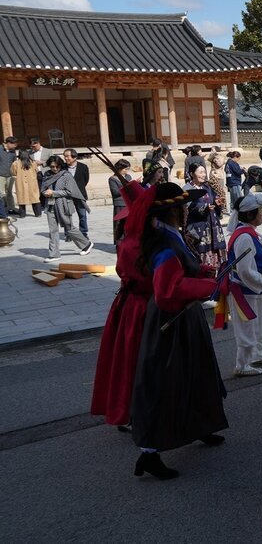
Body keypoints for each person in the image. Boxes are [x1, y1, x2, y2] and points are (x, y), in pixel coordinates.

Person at [130, 182, 228, 480]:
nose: (186, 211)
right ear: (172, 212)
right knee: (164, 383)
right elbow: (167, 292)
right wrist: (206, 286)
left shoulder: (171, 235)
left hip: (186, 318)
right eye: (182, 207)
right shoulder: (164, 244)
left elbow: (182, 272)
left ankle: (201, 425)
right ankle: (149, 453)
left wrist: (201, 272)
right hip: (171, 322)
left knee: (198, 373)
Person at [91, 173, 148, 430]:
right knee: (135, 360)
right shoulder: (133, 245)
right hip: (138, 306)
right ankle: (133, 411)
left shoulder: (134, 241)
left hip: (133, 304)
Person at [225, 193, 262, 377]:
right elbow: (245, 270)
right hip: (244, 290)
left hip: (253, 289)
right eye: (260, 211)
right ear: (250, 215)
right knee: (247, 328)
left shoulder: (247, 232)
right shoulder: (244, 237)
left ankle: (259, 355)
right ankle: (242, 365)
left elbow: (256, 252)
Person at [41, 155, 93, 263]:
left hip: (63, 204)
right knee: (52, 230)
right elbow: (43, 187)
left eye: (57, 166)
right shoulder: (47, 174)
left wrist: (53, 193)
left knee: (69, 228)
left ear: (60, 165)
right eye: (52, 167)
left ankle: (86, 244)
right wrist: (45, 193)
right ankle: (54, 254)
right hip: (50, 205)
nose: (55, 169)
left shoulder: (66, 175)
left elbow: (70, 192)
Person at [183, 164, 227, 270]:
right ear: (192, 174)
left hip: (212, 225)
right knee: (202, 256)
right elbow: (186, 209)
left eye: (204, 172)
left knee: (217, 255)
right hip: (199, 227)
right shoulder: (187, 189)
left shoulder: (207, 187)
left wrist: (217, 202)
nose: (203, 175)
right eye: (200, 172)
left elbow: (213, 199)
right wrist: (204, 207)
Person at [109, 159, 133, 245]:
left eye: (127, 169)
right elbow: (115, 192)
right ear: (119, 168)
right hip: (119, 204)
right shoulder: (112, 179)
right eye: (125, 169)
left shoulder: (128, 177)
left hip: (128, 203)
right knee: (119, 224)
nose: (126, 171)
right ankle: (119, 243)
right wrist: (127, 187)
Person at [11, 149, 41, 217]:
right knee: (35, 198)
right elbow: (36, 170)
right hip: (32, 183)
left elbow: (13, 172)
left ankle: (22, 215)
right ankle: (38, 213)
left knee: (21, 198)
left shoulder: (15, 163)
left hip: (20, 182)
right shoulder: (33, 162)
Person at [206, 148, 228, 215]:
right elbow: (219, 164)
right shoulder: (215, 158)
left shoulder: (218, 157)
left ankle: (222, 208)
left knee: (221, 193)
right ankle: (221, 209)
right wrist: (223, 160)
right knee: (220, 193)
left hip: (219, 176)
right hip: (216, 177)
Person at [0, 136, 18, 216]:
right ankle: (3, 210)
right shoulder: (0, 149)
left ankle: (11, 208)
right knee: (1, 193)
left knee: (9, 193)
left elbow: (14, 162)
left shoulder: (13, 151)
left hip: (10, 175)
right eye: (14, 144)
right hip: (0, 175)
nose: (15, 146)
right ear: (8, 143)